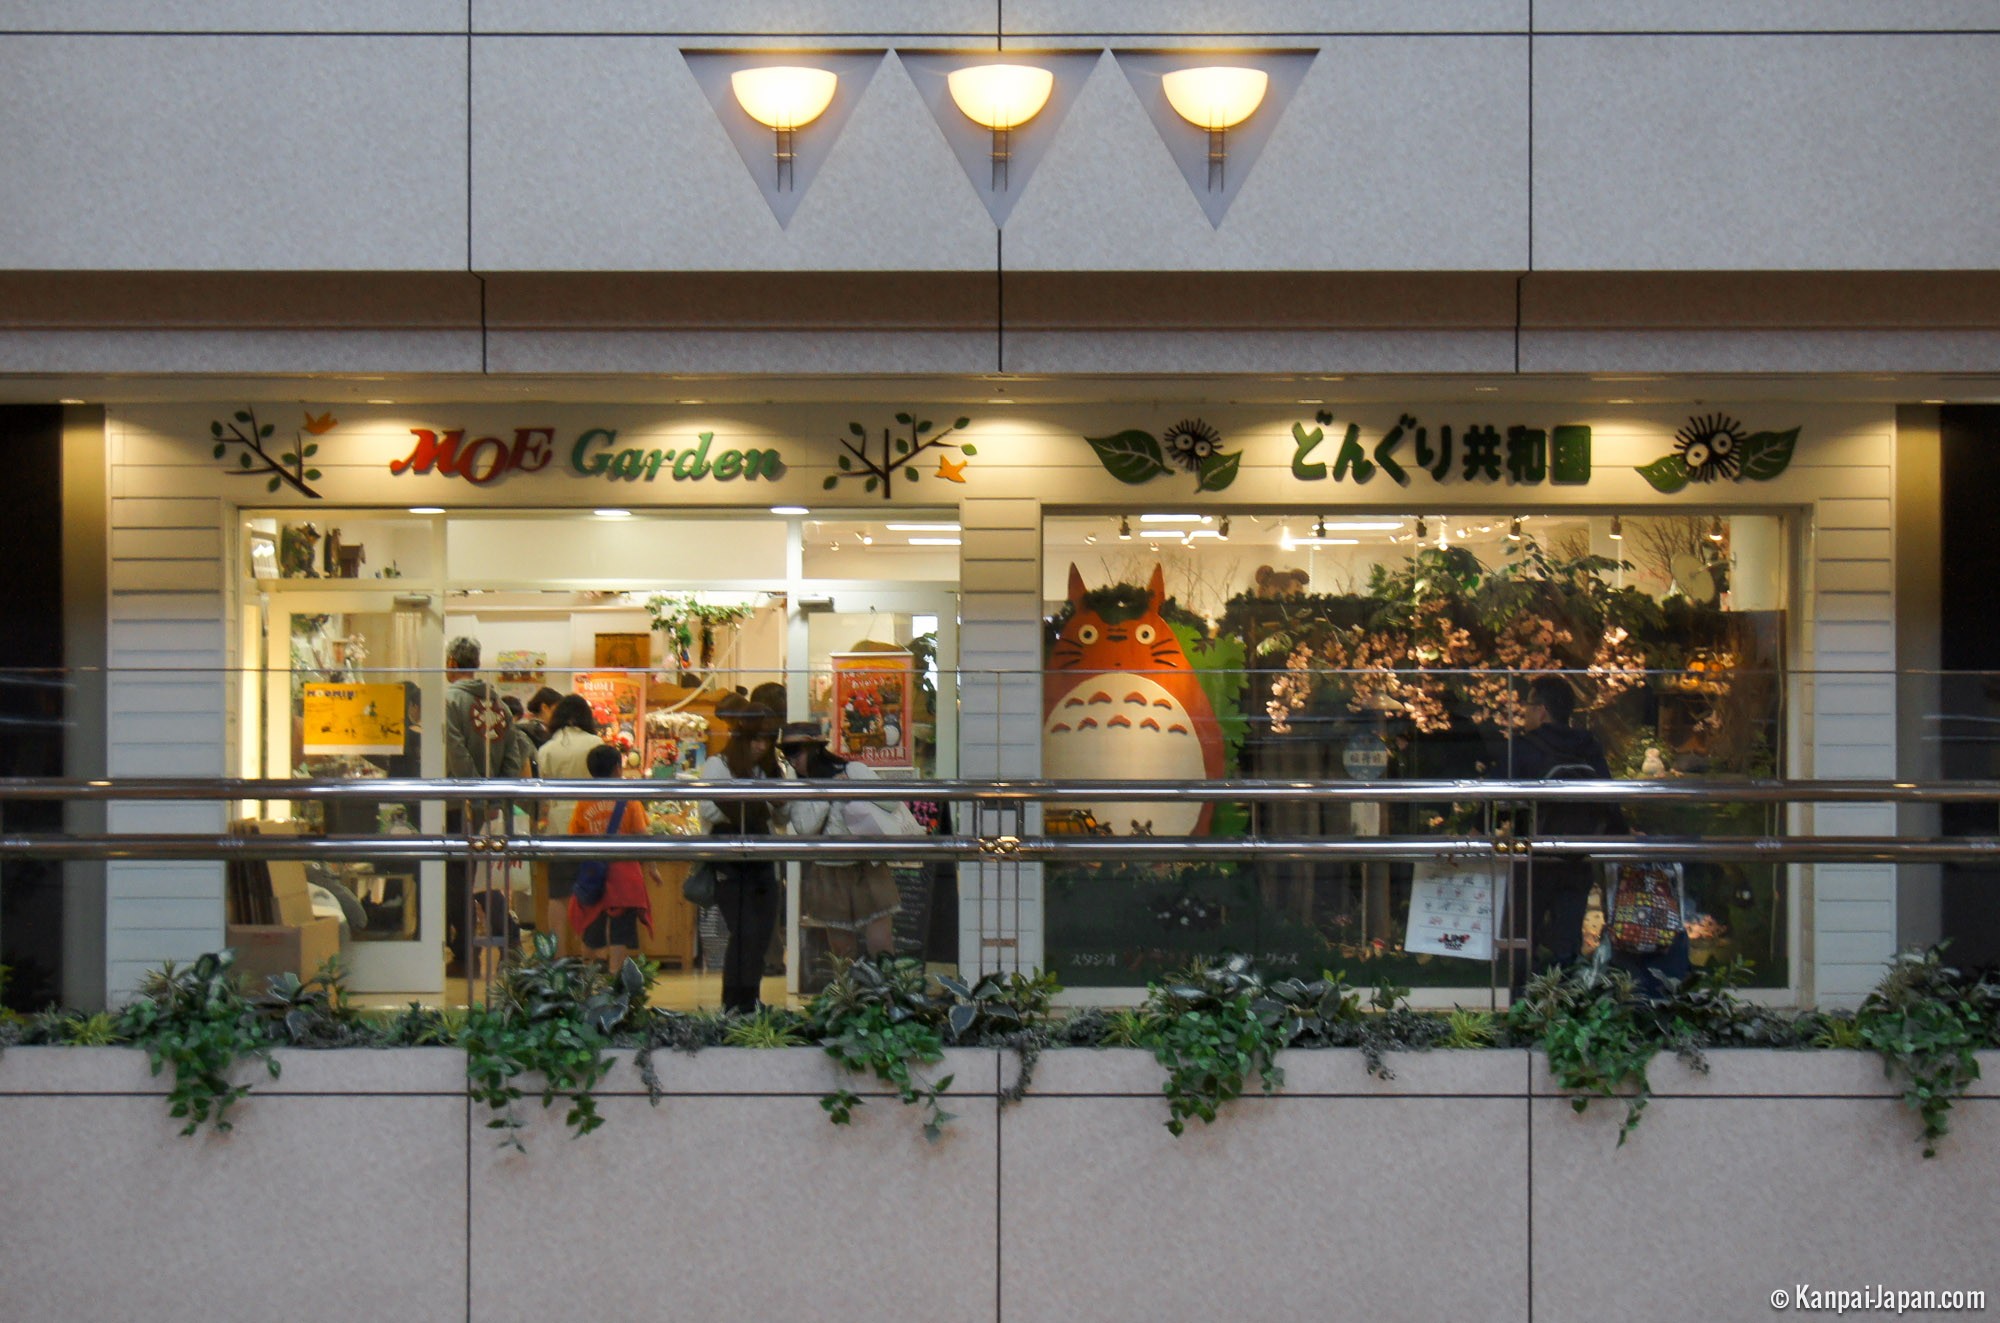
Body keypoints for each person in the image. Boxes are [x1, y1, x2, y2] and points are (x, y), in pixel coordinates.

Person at [1504, 674, 1628, 985]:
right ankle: (1563, 1009)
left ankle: (1522, 1006)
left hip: (1534, 861)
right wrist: (1624, 834)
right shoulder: (1588, 746)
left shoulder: (1524, 747)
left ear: (1542, 710)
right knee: (1567, 942)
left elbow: (1495, 796)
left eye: (1529, 705)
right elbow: (1608, 798)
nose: (1525, 712)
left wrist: (1474, 834)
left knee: (1522, 939)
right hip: (1577, 858)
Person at [779, 721, 901, 970]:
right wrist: (831, 792)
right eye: (786, 754)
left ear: (814, 749)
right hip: (828, 869)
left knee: (881, 943)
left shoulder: (854, 769)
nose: (792, 760)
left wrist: (855, 790)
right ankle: (852, 1002)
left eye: (796, 752)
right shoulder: (798, 786)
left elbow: (892, 801)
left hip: (867, 865)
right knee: (841, 951)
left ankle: (888, 1000)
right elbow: (805, 827)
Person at [442, 636, 529, 980]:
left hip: (455, 803)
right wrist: (496, 799)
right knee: (488, 876)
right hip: (492, 808)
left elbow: (455, 750)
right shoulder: (501, 707)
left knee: (457, 877)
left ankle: (465, 946)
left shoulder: (449, 701)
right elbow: (514, 755)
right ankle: (509, 936)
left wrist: (474, 794)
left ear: (450, 663)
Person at [698, 697, 791, 1012]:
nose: (761, 746)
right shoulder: (718, 765)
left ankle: (749, 1001)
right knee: (744, 932)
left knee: (762, 934)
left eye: (767, 740)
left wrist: (768, 802)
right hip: (729, 860)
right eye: (755, 739)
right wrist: (758, 804)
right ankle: (734, 1003)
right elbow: (708, 807)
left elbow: (782, 816)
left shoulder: (771, 770)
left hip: (763, 859)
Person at [567, 742, 653, 973]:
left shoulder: (585, 800)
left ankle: (589, 976)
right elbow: (642, 836)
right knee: (621, 930)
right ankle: (616, 978)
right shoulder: (629, 799)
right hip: (625, 874)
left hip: (594, 874)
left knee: (592, 925)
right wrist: (653, 867)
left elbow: (575, 835)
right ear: (617, 767)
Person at [536, 694, 603, 956]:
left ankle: (559, 955)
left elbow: (541, 794)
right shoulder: (596, 743)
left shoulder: (548, 749)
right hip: (591, 823)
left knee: (558, 894)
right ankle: (590, 955)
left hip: (559, 827)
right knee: (592, 894)